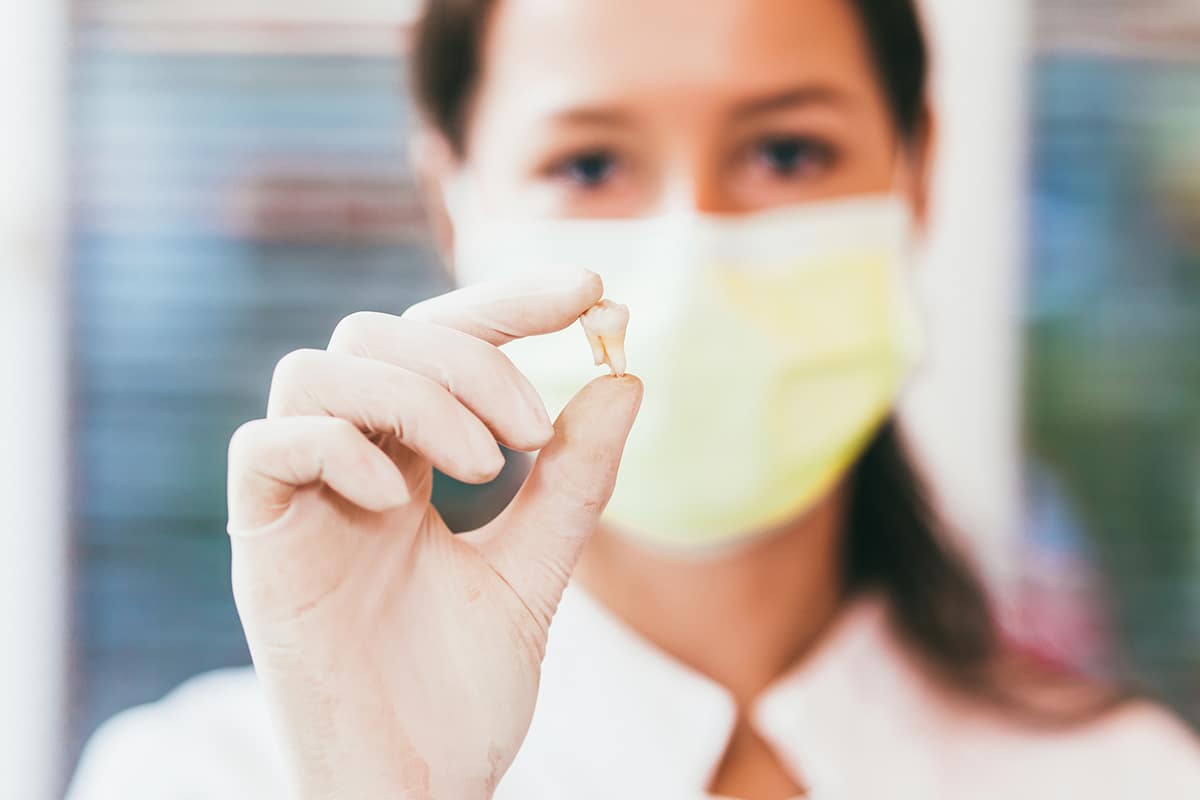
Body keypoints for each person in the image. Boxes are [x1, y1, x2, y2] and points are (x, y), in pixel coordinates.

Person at [68, 1, 1200, 798]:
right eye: (592, 165)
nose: (692, 244)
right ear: (451, 201)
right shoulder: (212, 774)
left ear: (920, 171)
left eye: (791, 151)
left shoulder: (1128, 778)